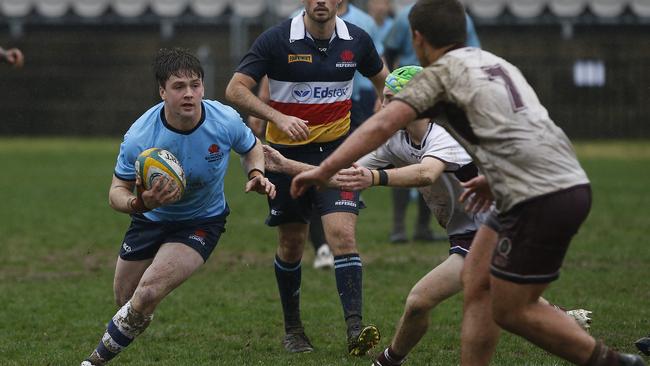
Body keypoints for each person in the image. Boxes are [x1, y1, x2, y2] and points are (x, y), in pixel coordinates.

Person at [289, 1, 646, 365]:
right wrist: (493, 176)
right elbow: (529, 128)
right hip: (549, 183)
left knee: (509, 309)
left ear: (417, 39)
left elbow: (380, 125)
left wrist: (323, 170)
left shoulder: (440, 76)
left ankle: (613, 363)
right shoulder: (494, 63)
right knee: (479, 288)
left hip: (538, 194)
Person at [264, 65, 593, 366]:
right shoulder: (396, 139)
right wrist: (285, 165)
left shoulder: (444, 132)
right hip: (468, 233)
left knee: (421, 300)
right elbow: (346, 174)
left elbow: (426, 174)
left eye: (392, 99)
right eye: (383, 97)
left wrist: (377, 178)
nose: (383, 105)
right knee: (508, 304)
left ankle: (388, 361)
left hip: (495, 229)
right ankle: (573, 327)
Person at [79, 48, 275, 366]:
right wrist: (138, 202)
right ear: (162, 91)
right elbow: (116, 191)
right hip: (149, 218)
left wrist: (256, 173)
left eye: (195, 85)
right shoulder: (140, 136)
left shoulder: (223, 120)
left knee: (146, 294)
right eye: (179, 86)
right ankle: (138, 314)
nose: (189, 94)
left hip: (201, 221)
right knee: (126, 302)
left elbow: (252, 147)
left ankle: (94, 361)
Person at [224, 0, 389, 356]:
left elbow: (383, 81)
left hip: (337, 157)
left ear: (340, 3)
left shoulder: (357, 41)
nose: (320, 2)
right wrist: (277, 118)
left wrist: (384, 105)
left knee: (343, 235)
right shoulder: (276, 40)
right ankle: (294, 329)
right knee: (292, 244)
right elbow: (235, 89)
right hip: (285, 159)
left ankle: (355, 329)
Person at [383, 2, 481, 244]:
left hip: (432, 101)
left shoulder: (462, 18)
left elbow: (469, 57)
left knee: (433, 165)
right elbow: (389, 52)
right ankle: (399, 226)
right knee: (403, 157)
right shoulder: (406, 16)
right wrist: (393, 88)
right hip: (403, 93)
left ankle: (424, 227)